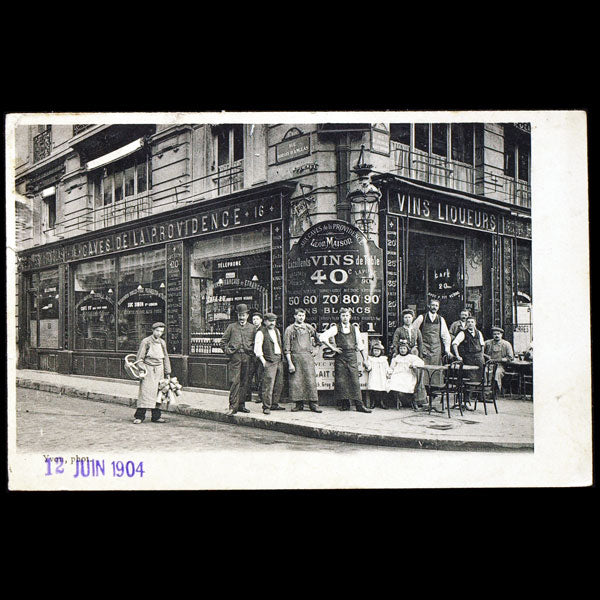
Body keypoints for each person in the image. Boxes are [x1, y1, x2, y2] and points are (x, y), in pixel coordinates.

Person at [319, 307, 372, 413]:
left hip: (352, 355)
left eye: (347, 315)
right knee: (341, 380)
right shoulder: (336, 328)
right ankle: (345, 404)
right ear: (340, 316)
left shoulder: (354, 329)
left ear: (350, 316)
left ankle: (359, 405)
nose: (345, 318)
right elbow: (322, 337)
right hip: (340, 356)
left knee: (354, 380)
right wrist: (333, 348)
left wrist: (365, 360)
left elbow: (360, 345)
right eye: (343, 315)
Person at [283, 308, 322, 413]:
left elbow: (318, 341)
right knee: (297, 382)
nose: (301, 317)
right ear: (295, 316)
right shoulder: (290, 329)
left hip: (308, 358)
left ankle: (313, 404)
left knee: (310, 381)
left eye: (303, 316)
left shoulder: (309, 328)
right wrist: (290, 363)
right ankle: (298, 404)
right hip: (295, 358)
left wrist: (316, 350)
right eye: (299, 315)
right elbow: (286, 348)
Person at [220, 304, 255, 415]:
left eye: (244, 315)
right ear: (237, 315)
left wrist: (251, 352)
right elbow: (223, 342)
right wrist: (228, 352)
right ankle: (232, 407)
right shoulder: (231, 327)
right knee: (235, 381)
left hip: (247, 357)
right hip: (235, 357)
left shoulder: (252, 328)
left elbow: (256, 343)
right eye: (240, 315)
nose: (242, 318)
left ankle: (241, 405)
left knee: (245, 382)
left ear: (247, 315)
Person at [133, 322, 171, 424]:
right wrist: (142, 369)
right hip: (148, 369)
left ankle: (156, 417)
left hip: (160, 369)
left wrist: (167, 372)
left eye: (161, 332)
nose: (159, 333)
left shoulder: (162, 342)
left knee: (159, 393)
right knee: (145, 393)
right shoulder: (146, 342)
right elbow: (139, 358)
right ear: (153, 330)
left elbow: (166, 357)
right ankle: (139, 416)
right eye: (157, 331)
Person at [412, 299, 453, 386]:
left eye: (436, 306)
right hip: (424, 348)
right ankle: (424, 389)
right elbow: (413, 331)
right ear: (429, 306)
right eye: (433, 305)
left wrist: (447, 349)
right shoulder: (422, 317)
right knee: (424, 369)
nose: (434, 307)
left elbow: (445, 336)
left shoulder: (441, 319)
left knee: (436, 370)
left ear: (438, 308)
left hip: (436, 349)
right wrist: (415, 345)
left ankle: (435, 389)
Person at [254, 312, 286, 415]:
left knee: (279, 383)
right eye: (270, 321)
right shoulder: (261, 332)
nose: (272, 323)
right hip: (269, 361)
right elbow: (257, 349)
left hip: (278, 359)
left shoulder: (277, 331)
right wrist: (264, 362)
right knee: (268, 385)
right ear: (265, 321)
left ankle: (274, 404)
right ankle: (266, 406)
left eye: (274, 321)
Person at [386, 339, 425, 410]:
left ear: (407, 349)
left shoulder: (411, 357)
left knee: (408, 383)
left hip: (408, 374)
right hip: (397, 374)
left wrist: (414, 365)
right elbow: (391, 367)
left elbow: (421, 362)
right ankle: (398, 401)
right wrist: (389, 373)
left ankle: (410, 401)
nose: (402, 350)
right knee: (394, 382)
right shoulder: (396, 357)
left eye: (404, 348)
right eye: (401, 348)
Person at [452, 316, 487, 382]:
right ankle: (472, 391)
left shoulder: (479, 333)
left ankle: (481, 391)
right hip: (469, 357)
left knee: (482, 374)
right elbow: (454, 343)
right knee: (472, 376)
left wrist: (482, 355)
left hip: (479, 357)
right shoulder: (462, 333)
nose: (470, 323)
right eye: (468, 322)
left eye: (472, 322)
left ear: (475, 323)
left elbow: (482, 345)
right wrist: (457, 355)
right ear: (466, 324)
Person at [484, 326, 514, 393]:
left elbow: (510, 358)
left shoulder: (506, 344)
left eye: (498, 334)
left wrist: (497, 360)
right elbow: (480, 352)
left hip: (501, 366)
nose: (496, 336)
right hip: (489, 364)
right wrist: (486, 356)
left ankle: (495, 391)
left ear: (501, 335)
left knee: (497, 373)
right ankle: (486, 392)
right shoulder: (487, 343)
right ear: (492, 335)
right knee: (485, 372)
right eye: (494, 334)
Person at [365, 339, 390, 409]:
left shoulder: (384, 359)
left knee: (382, 389)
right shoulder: (371, 359)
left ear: (381, 352)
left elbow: (386, 367)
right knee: (373, 389)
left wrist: (388, 373)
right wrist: (367, 366)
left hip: (381, 375)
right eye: (375, 351)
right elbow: (369, 368)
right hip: (374, 375)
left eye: (378, 351)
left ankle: (381, 402)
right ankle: (373, 402)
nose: (376, 352)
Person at [249, 312, 265, 404]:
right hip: (252, 356)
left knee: (260, 376)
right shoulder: (251, 329)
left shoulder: (262, 330)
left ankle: (261, 396)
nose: (255, 321)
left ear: (261, 320)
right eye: (254, 319)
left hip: (259, 356)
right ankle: (248, 395)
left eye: (257, 319)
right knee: (250, 376)